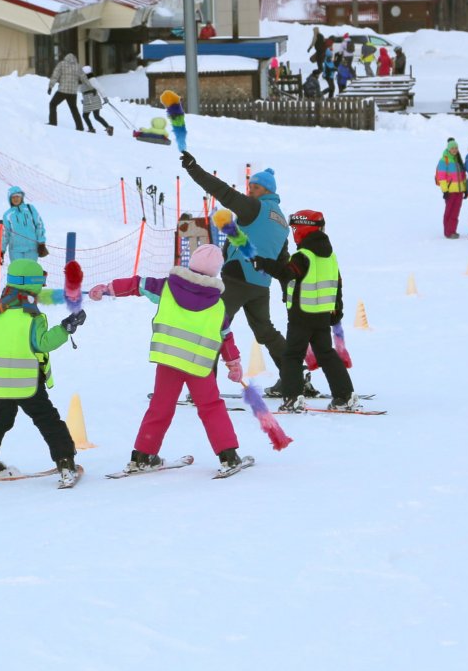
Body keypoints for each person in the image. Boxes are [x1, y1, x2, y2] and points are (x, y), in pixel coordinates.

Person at [95, 242, 244, 472]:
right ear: (216, 271)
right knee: (211, 407)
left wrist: (108, 288)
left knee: (160, 407)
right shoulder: (217, 304)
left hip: (169, 361)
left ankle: (142, 456)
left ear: (191, 263)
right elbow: (225, 336)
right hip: (199, 367)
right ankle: (228, 456)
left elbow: (138, 285)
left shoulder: (167, 287)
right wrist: (233, 364)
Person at [178, 155, 303, 394]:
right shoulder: (281, 223)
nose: (250, 190)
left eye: (255, 187)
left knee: (212, 328)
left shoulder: (255, 207)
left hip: (237, 280)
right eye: (250, 186)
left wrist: (194, 169)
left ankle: (203, 388)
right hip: (260, 285)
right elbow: (282, 262)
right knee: (266, 331)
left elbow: (222, 191)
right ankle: (294, 378)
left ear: (267, 190)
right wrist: (289, 290)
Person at [0, 259, 84, 479]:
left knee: (1, 418)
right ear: (31, 285)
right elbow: (44, 343)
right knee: (47, 419)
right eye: (40, 283)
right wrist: (66, 329)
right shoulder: (31, 316)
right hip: (26, 381)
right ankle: (65, 461)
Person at [254, 209, 357, 412]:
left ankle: (293, 397)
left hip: (301, 315)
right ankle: (345, 395)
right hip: (321, 315)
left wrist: (263, 263)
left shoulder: (303, 255)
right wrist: (337, 311)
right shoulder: (330, 256)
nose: (293, 233)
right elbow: (337, 284)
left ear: (302, 229)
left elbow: (287, 274)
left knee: (292, 355)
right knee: (326, 353)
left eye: (294, 228)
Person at [0, 187, 48, 262]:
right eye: (13, 197)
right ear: (9, 199)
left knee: (30, 272)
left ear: (21, 197)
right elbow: (6, 234)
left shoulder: (30, 209)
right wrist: (2, 250)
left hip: (32, 249)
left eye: (17, 196)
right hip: (15, 251)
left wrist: (41, 242)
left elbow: (39, 225)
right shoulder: (7, 215)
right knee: (17, 272)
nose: (15, 199)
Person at [47, 52, 86, 130]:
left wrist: (50, 86)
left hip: (62, 91)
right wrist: (91, 88)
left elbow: (55, 75)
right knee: (74, 109)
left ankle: (53, 122)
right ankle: (80, 127)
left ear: (66, 57)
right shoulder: (78, 66)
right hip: (73, 92)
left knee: (52, 104)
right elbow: (84, 78)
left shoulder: (61, 64)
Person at [435, 138, 466, 239]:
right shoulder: (444, 160)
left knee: (455, 212)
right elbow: (441, 177)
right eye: (452, 148)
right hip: (450, 191)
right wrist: (445, 190)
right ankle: (448, 232)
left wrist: (465, 188)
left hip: (459, 191)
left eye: (456, 148)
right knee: (449, 211)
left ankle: (452, 230)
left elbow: (463, 176)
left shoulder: (458, 160)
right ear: (448, 149)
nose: (454, 150)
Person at [79, 69, 113, 135]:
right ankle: (108, 127)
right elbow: (84, 92)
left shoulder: (92, 80)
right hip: (89, 100)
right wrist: (84, 99)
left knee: (86, 115)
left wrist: (105, 97)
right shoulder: (84, 81)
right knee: (96, 116)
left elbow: (100, 88)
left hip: (92, 100)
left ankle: (91, 129)